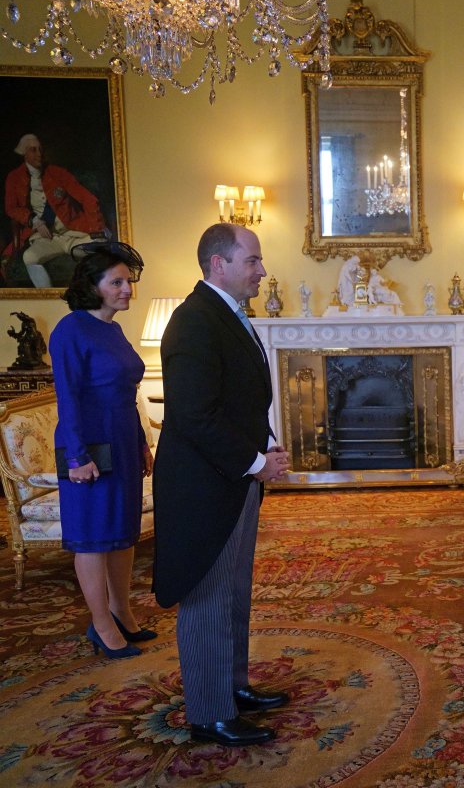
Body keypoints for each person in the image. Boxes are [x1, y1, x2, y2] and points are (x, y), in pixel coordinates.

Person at [152, 223, 291, 747]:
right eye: (252, 260)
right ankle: (209, 713)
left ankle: (232, 688)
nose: (261, 270)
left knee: (233, 590)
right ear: (218, 263)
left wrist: (263, 449)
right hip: (203, 485)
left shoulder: (226, 315)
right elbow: (193, 415)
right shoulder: (193, 323)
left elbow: (240, 400)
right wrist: (255, 462)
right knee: (208, 593)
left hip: (231, 477)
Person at [48, 241, 156, 661]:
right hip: (87, 446)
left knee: (121, 533)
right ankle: (101, 624)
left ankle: (122, 611)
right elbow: (68, 398)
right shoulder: (71, 330)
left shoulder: (112, 328)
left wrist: (141, 444)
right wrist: (76, 456)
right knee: (93, 539)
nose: (127, 289)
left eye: (128, 281)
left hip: (122, 441)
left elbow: (124, 395)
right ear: (92, 286)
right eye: (117, 282)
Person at [4, 134, 108, 288]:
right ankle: (48, 296)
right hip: (46, 238)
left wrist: (96, 228)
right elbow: (11, 208)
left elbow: (87, 198)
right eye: (33, 150)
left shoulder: (57, 172)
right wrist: (34, 220)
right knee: (30, 257)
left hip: (72, 233)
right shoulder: (14, 177)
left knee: (101, 246)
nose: (39, 154)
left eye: (40, 149)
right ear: (24, 153)